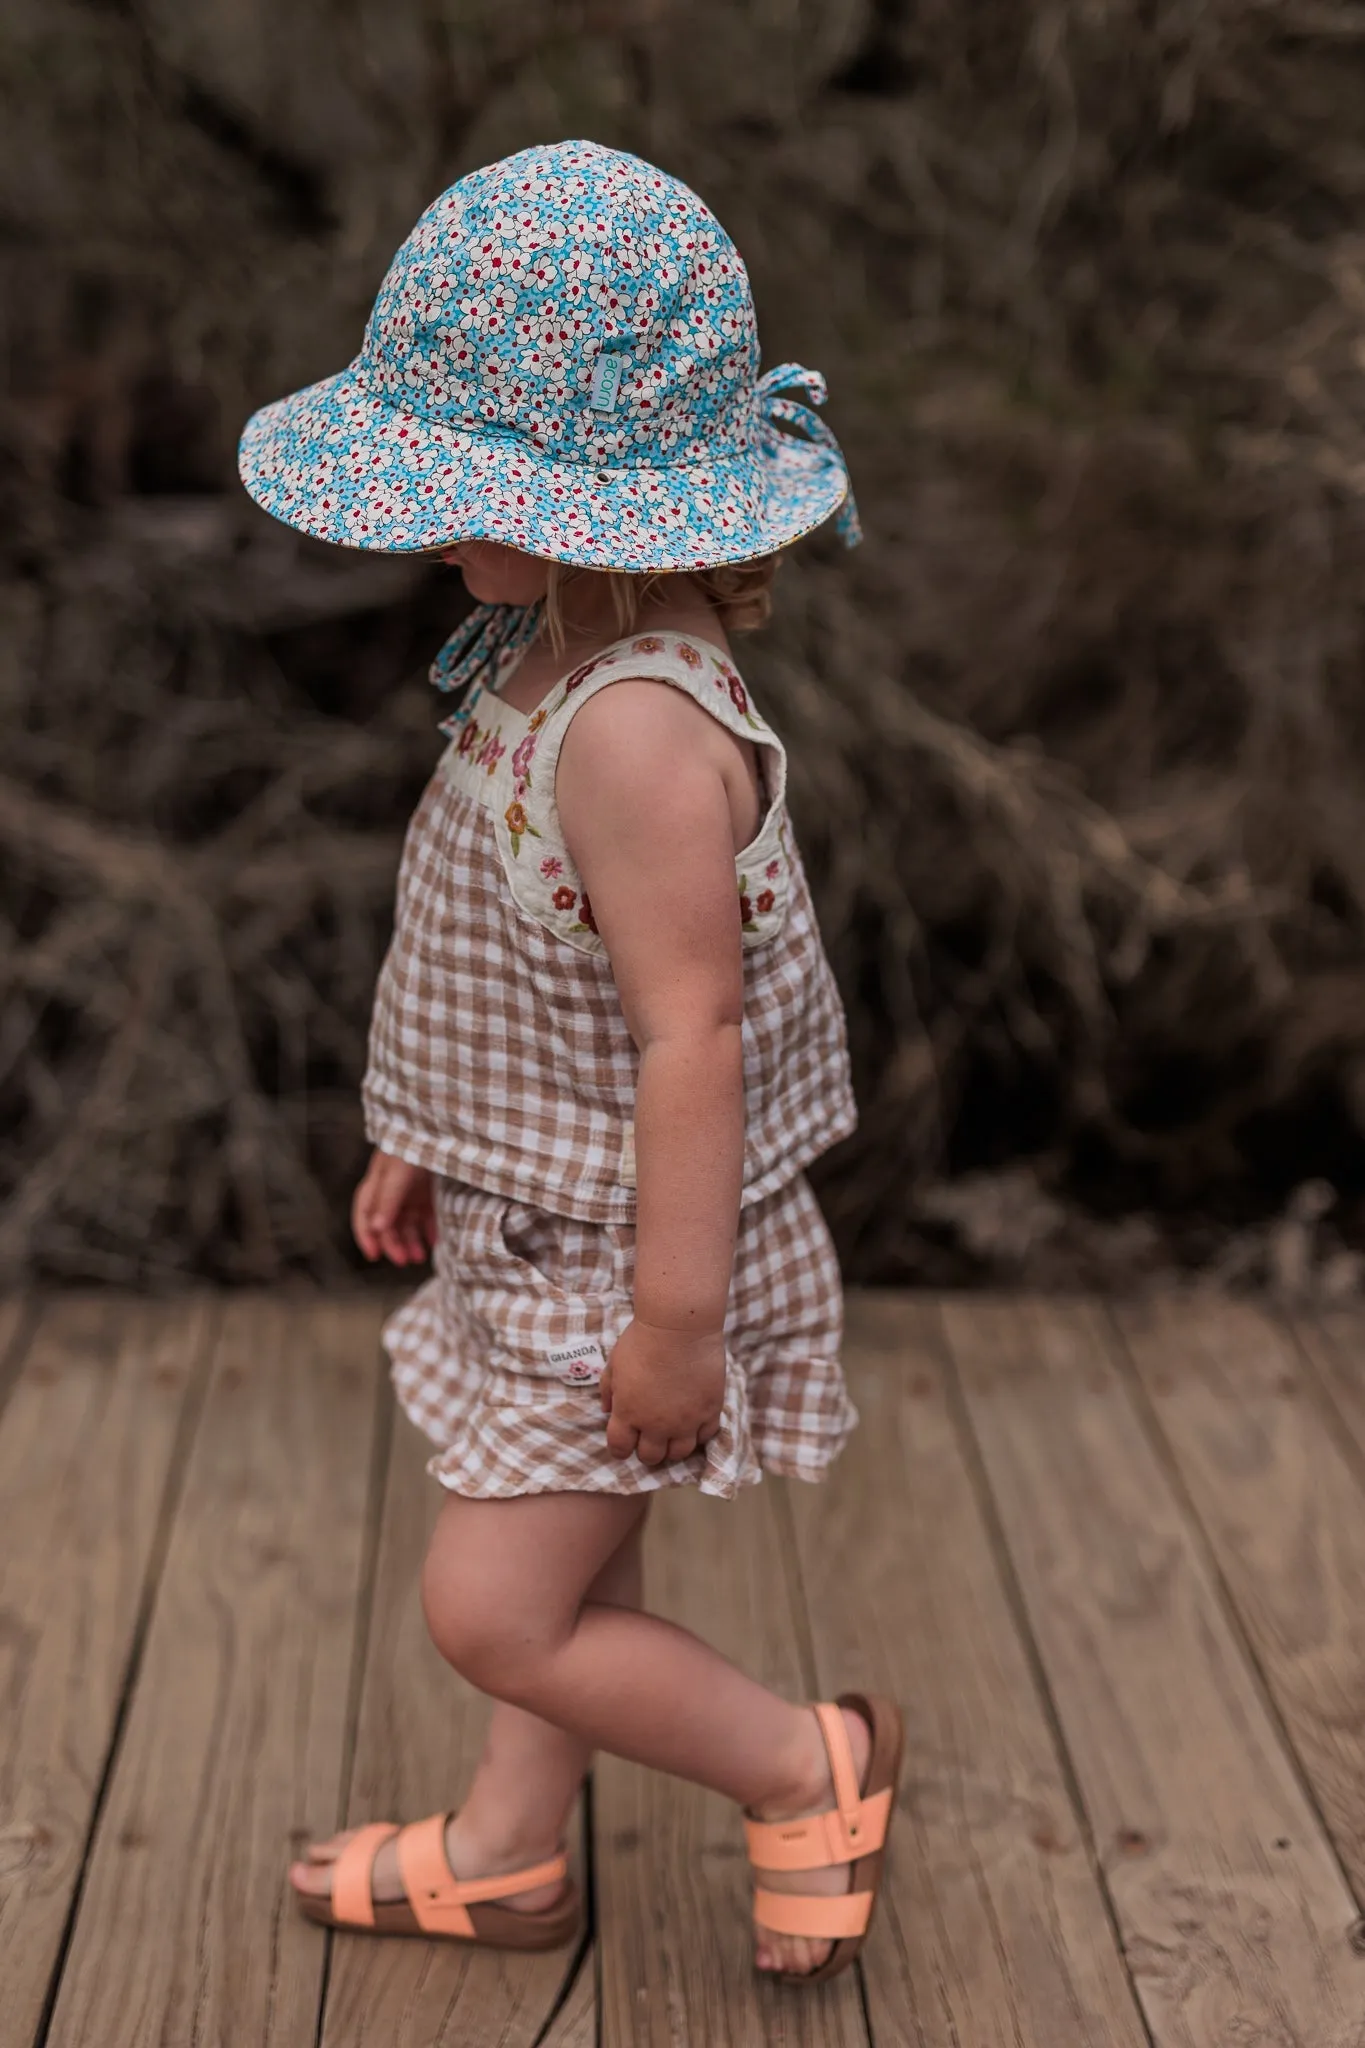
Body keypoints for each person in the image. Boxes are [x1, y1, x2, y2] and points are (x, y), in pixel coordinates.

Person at [238, 137, 901, 1987]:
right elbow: (524, 977)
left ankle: (803, 1765)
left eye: (456, 485)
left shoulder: (627, 737)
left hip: (624, 1255)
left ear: (585, 500)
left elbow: (693, 1035)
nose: (430, 526)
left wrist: (679, 1323)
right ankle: (510, 1850)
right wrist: (428, 1133)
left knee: (493, 1605)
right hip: (541, 1211)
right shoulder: (547, 646)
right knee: (573, 1568)